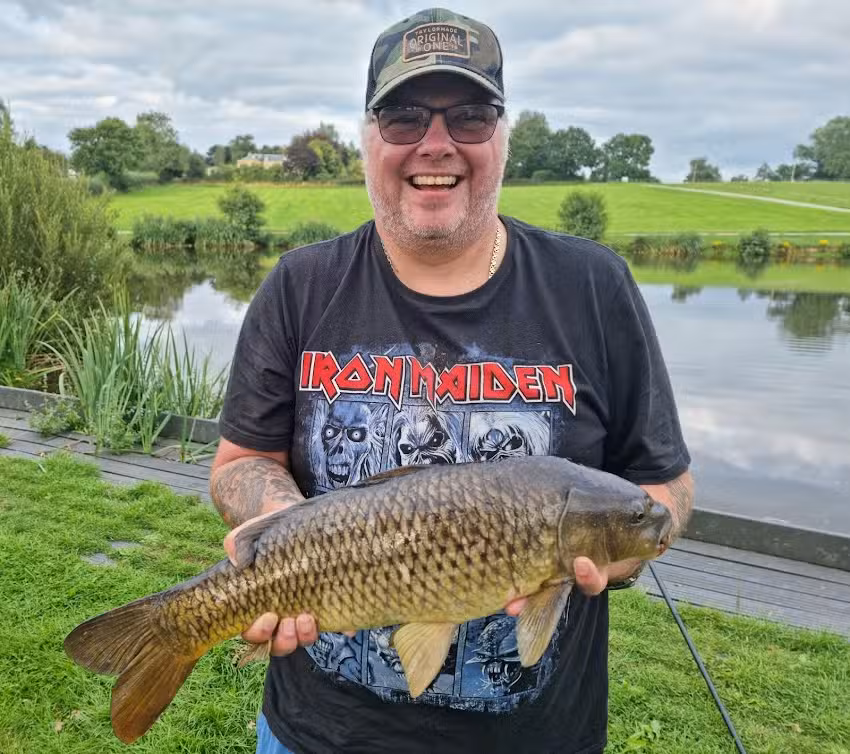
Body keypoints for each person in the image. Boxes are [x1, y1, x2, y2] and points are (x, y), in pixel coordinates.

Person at [210, 7, 693, 754]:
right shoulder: (300, 285)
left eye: (470, 116)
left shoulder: (594, 286)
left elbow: (664, 490)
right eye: (403, 117)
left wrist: (622, 551)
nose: (436, 144)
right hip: (315, 734)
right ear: (367, 137)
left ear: (503, 136)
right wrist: (279, 530)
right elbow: (242, 463)